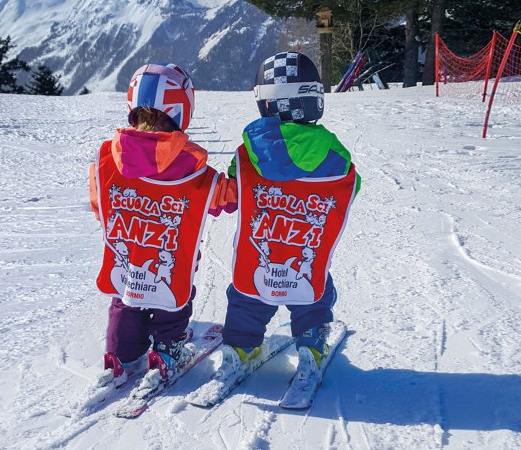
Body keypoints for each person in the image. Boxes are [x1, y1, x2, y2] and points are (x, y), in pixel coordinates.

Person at [88, 63, 236, 386]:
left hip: (127, 260)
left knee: (126, 300)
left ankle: (120, 355)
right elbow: (223, 197)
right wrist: (242, 180)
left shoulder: (107, 160)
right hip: (167, 264)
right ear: (181, 111)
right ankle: (167, 351)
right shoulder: (191, 170)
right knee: (172, 296)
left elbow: (100, 203)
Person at [217, 52, 361, 383]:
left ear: (265, 103)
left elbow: (237, 188)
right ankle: (310, 350)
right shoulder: (332, 152)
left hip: (262, 249)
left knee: (247, 294)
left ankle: (239, 349)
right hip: (302, 247)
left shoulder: (248, 152)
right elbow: (350, 186)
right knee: (312, 288)